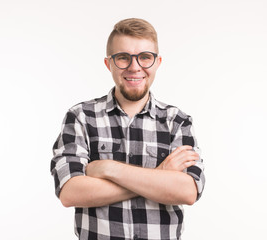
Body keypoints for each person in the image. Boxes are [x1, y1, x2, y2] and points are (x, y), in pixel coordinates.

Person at [50, 18, 205, 240]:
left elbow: (188, 191)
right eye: (123, 57)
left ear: (157, 62)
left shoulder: (177, 121)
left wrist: (107, 169)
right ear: (109, 64)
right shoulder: (81, 117)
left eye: (145, 57)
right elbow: (70, 192)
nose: (135, 67)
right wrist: (159, 176)